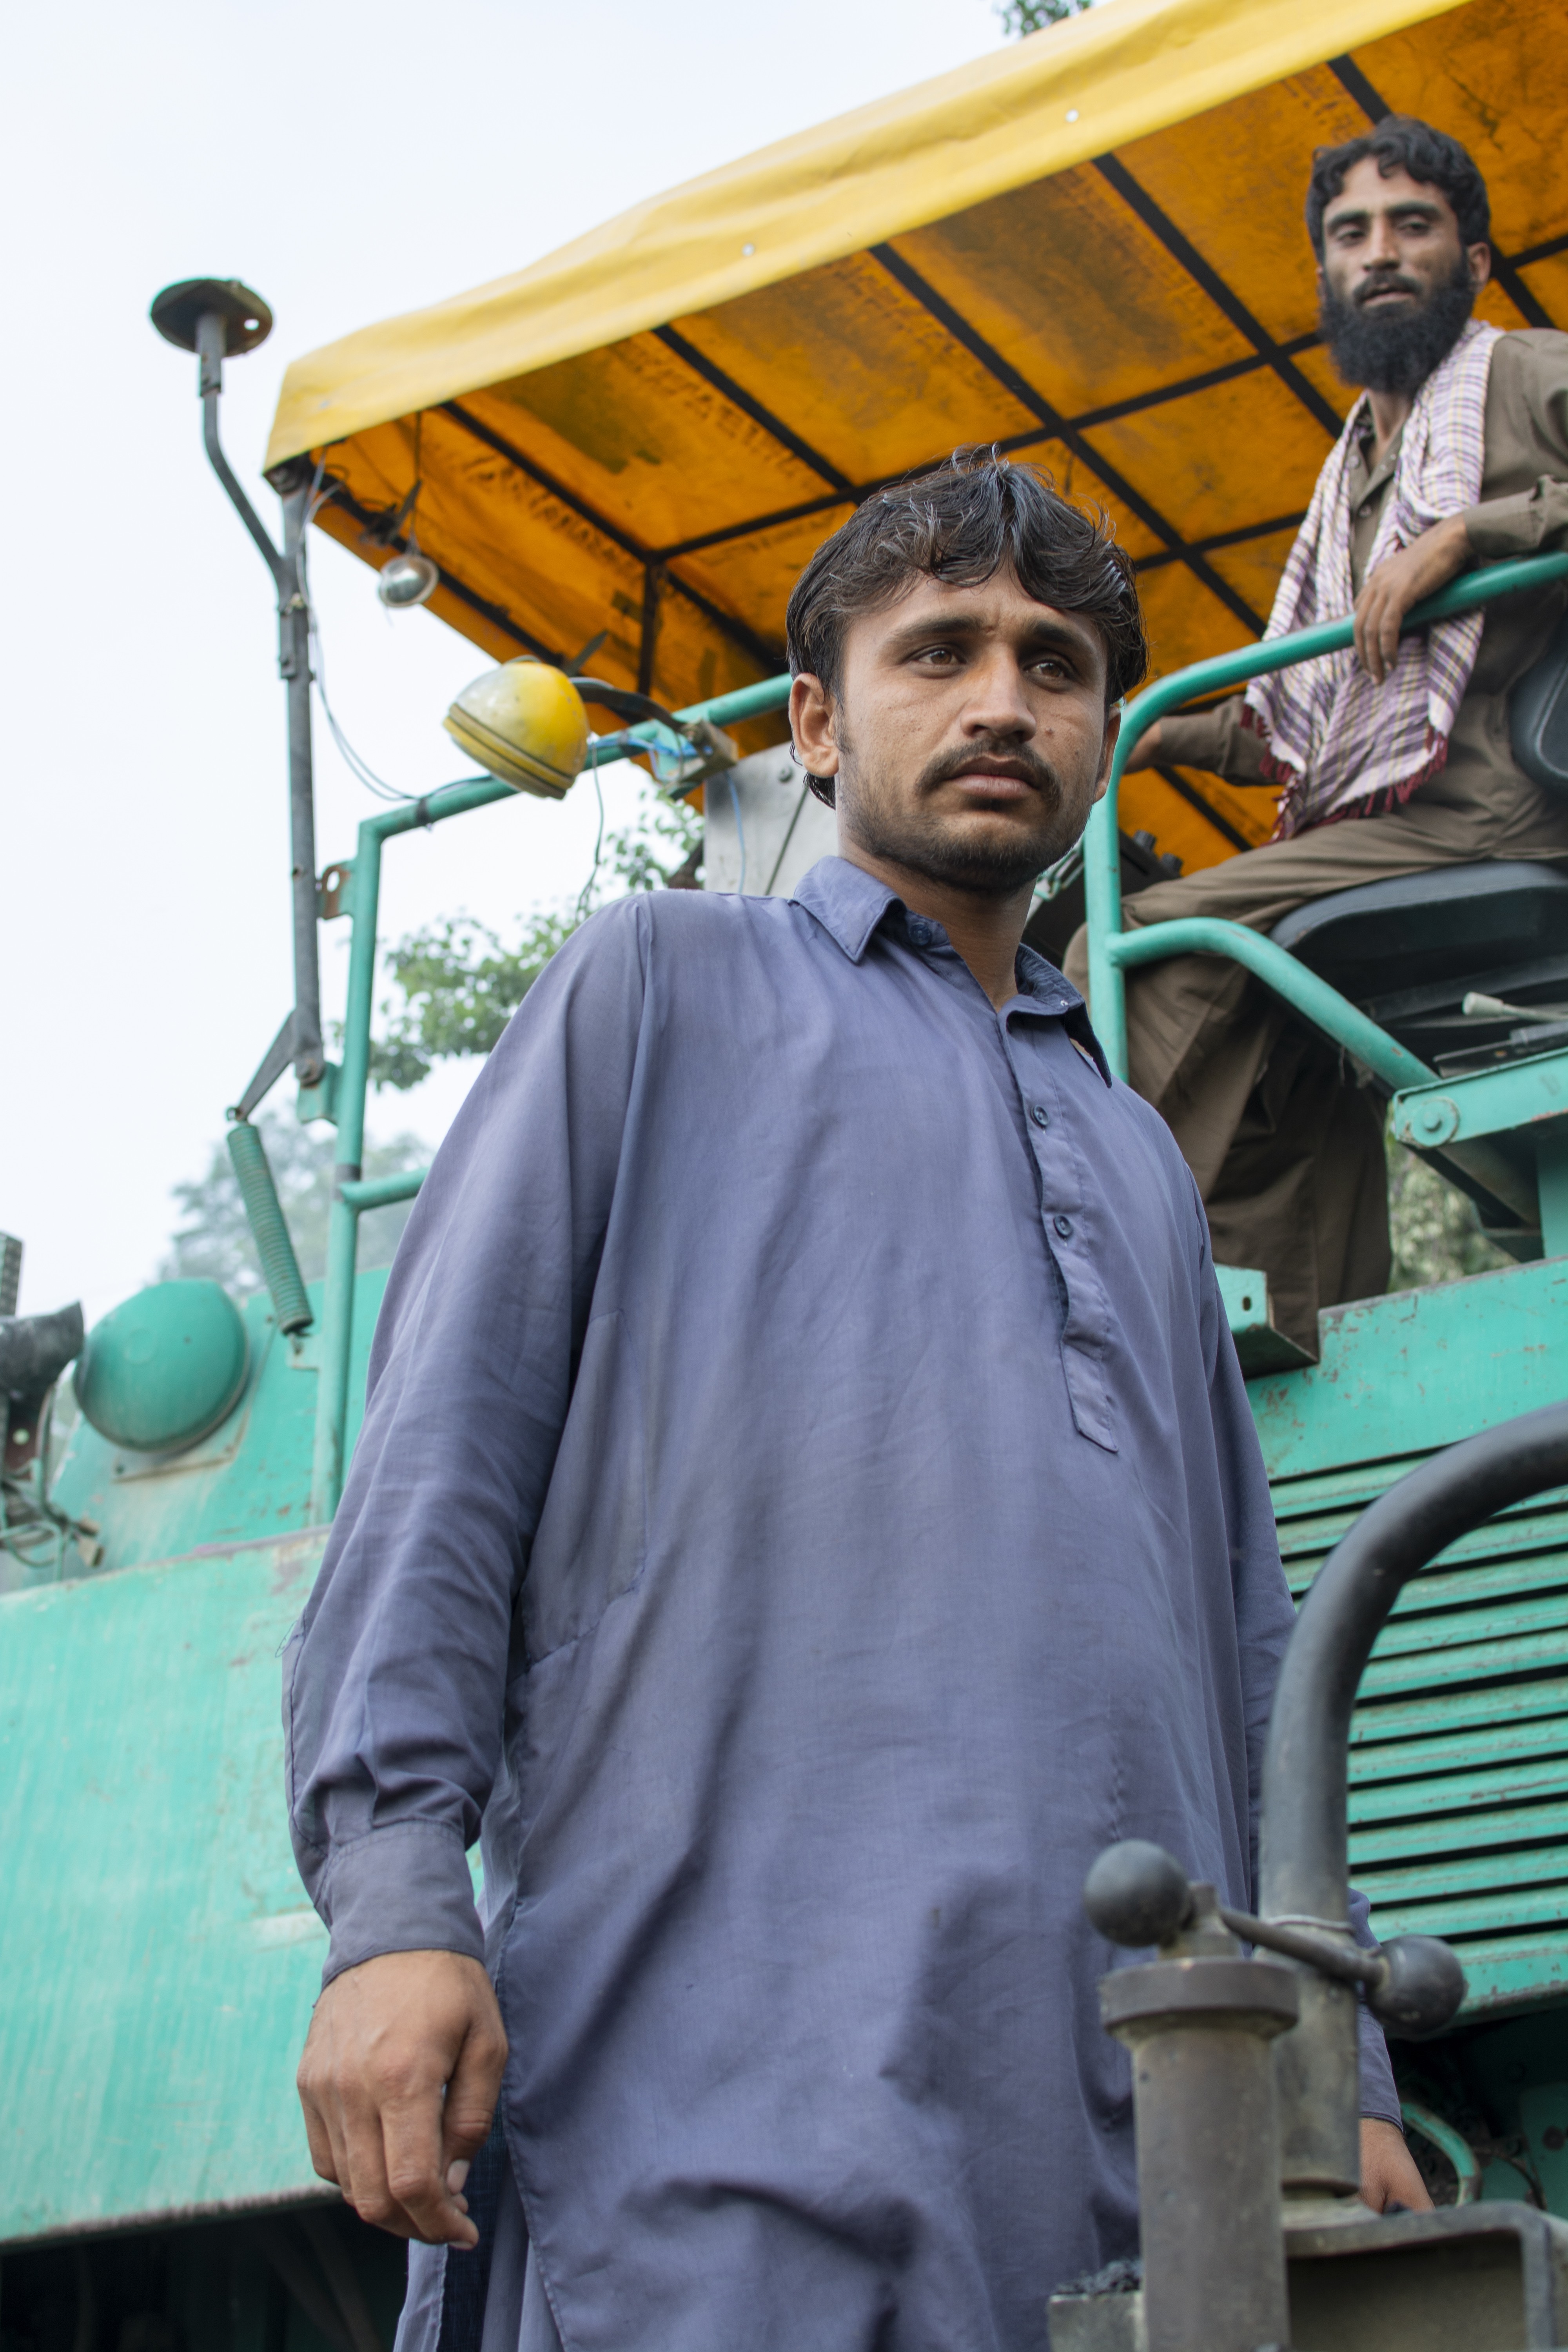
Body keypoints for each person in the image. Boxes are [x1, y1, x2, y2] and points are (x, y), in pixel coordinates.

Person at [285, 456, 1423, 2352]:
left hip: (1116, 2143)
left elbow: (1240, 1642)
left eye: (1055, 667)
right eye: (940, 651)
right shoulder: (654, 990)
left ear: (1100, 735)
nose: (1002, 702)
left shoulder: (1137, 1155)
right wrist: (399, 1902)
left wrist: (1343, 2060)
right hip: (710, 2100)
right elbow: (438, 1473)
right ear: (815, 724)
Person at [1065, 117, 1568, 1353]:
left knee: (1133, 946)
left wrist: (1476, 535)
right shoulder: (1352, 471)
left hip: (1494, 806)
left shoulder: (1528, 377)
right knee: (1285, 1038)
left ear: (1476, 259)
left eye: (1413, 226)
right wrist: (1139, 730)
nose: (1380, 253)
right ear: (1327, 272)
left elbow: (1464, 591)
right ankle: (1292, 1331)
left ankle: (1063, 1249)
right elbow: (1313, 720)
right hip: (1384, 819)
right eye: (1352, 234)